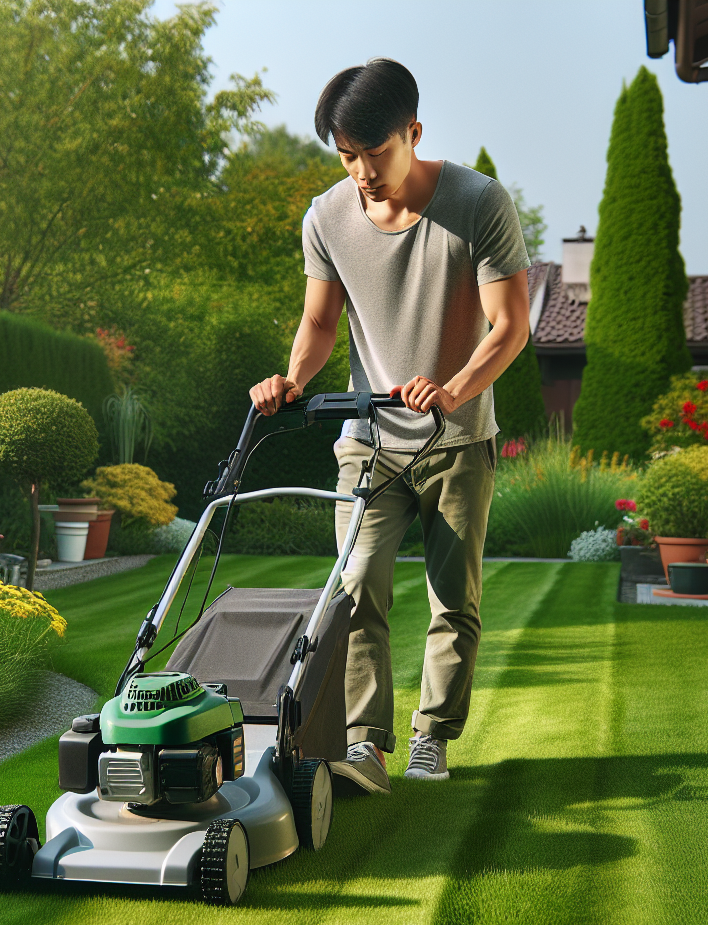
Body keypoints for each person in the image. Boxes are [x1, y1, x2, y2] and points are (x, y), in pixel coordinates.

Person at [249, 58, 531, 793]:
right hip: (369, 441)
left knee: (451, 599)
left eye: (376, 153)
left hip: (457, 443)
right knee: (357, 591)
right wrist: (293, 380)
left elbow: (510, 327)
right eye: (347, 156)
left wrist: (454, 389)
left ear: (413, 132)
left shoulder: (478, 203)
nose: (363, 172)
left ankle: (432, 737)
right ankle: (367, 742)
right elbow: (318, 320)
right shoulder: (327, 216)